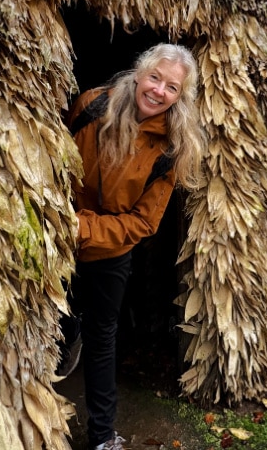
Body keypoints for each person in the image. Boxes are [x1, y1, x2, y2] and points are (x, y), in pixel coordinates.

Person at [62, 43, 205, 450]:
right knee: (53, 320)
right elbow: (51, 155)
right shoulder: (92, 105)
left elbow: (143, 222)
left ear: (181, 96)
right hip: (56, 236)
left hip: (108, 251)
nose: (159, 91)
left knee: (102, 337)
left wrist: (83, 229)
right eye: (156, 78)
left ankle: (103, 436)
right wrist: (62, 221)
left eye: (172, 87)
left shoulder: (170, 148)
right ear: (140, 73)